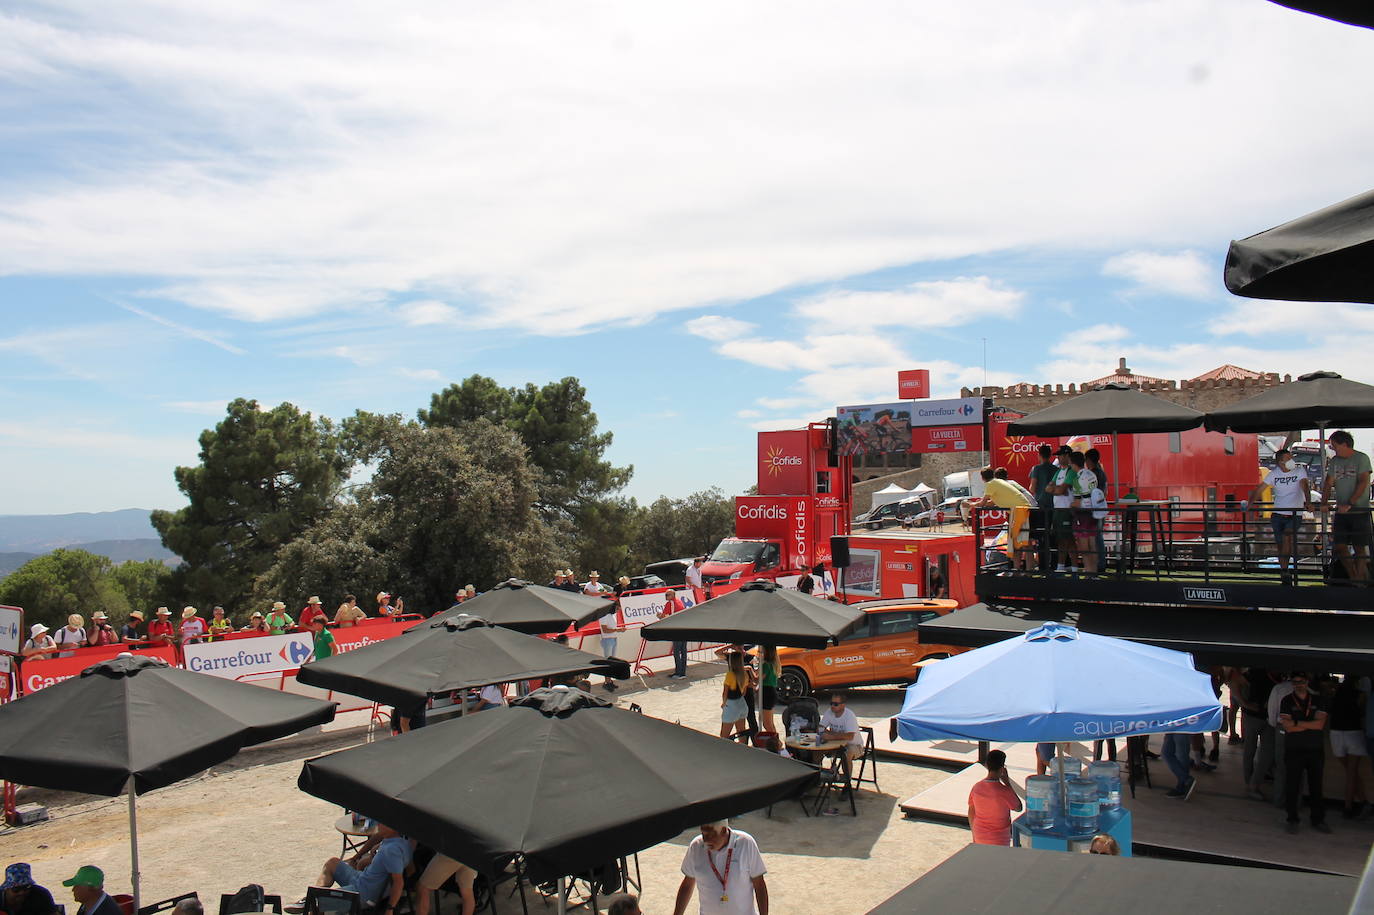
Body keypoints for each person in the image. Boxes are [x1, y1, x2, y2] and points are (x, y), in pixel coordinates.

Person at [290, 822, 412, 914]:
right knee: (332, 863)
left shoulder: (391, 851)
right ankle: (315, 893)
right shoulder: (401, 841)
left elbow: (398, 883)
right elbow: (411, 870)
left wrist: (390, 908)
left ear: (393, 827)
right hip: (362, 879)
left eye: (382, 822)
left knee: (315, 903)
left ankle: (313, 899)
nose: (378, 824)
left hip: (362, 894)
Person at [672, 820, 768, 915]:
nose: (706, 841)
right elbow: (687, 885)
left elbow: (759, 884)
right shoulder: (696, 847)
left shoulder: (746, 843)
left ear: (723, 831)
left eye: (711, 835)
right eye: (703, 834)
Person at [1248, 448, 1311, 586]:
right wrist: (1250, 503)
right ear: (1281, 462)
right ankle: (1284, 571)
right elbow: (1260, 489)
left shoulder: (1299, 470)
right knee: (1281, 545)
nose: (1291, 461)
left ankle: (1285, 571)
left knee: (1287, 537)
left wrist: (1308, 501)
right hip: (1278, 514)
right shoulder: (1273, 474)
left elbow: (1304, 486)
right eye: (1288, 458)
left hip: (1295, 514)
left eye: (1291, 458)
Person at [1279, 671, 1330, 833]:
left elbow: (1320, 725)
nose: (1297, 684)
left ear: (1307, 682)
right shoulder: (1286, 700)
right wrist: (1309, 723)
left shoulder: (1318, 700)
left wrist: (1296, 722)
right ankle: (1292, 819)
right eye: (1294, 682)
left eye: (1300, 681)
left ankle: (1318, 819)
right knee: (1292, 785)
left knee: (1316, 786)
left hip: (1315, 749)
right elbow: (1287, 727)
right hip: (1294, 749)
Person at [1322, 430, 1371, 583]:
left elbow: (1364, 481)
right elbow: (1328, 483)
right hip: (1341, 512)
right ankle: (1355, 577)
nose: (1332, 448)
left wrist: (1350, 503)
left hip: (1359, 511)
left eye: (1334, 445)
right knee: (1340, 546)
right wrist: (1324, 502)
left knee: (1359, 547)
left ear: (1344, 444)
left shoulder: (1362, 458)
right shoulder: (1335, 461)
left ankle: (1358, 580)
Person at [976, 467, 1035, 570]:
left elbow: (982, 504)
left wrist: (968, 505)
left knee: (1016, 545)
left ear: (982, 478)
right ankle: (1028, 570)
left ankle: (1017, 571)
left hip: (1018, 511)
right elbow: (992, 502)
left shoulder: (990, 484)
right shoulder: (999, 483)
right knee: (1025, 544)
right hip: (1025, 509)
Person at [1328, 674, 1367, 818]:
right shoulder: (1361, 695)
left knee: (1350, 772)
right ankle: (1353, 805)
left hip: (1336, 731)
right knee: (1352, 772)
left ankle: (1355, 804)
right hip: (1353, 731)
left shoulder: (1335, 691)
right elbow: (1362, 713)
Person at [966, 749, 1023, 846]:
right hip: (999, 839)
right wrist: (1007, 783)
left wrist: (974, 834)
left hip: (979, 835)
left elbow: (971, 812)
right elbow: (1018, 808)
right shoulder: (1004, 791)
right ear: (1002, 769)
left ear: (987, 765)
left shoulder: (977, 787)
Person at [818, 692, 865, 783]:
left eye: (835, 704)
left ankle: (847, 782)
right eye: (831, 703)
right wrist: (826, 733)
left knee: (846, 754)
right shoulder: (829, 712)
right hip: (836, 745)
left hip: (854, 745)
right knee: (817, 751)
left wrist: (831, 735)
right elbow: (820, 727)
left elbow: (850, 736)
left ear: (843, 705)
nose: (832, 706)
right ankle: (816, 777)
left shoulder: (849, 715)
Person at [1049, 445, 1080, 573]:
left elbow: (1060, 489)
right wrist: (1058, 490)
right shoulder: (1058, 471)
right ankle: (1061, 566)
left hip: (1067, 510)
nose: (1058, 457)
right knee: (1060, 539)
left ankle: (1074, 567)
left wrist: (1057, 490)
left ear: (1067, 456)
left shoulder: (1071, 471)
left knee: (1069, 539)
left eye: (1060, 455)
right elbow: (1049, 488)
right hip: (1058, 510)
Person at [1067, 452, 1099, 575]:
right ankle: (1094, 573)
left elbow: (1077, 501)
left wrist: (1070, 505)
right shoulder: (1091, 473)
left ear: (1072, 463)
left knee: (1084, 547)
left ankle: (1088, 573)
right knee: (1092, 545)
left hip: (1082, 514)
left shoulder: (1077, 479)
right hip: (1093, 512)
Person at [1028, 444, 1058, 571]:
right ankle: (1055, 565)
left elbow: (1032, 488)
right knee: (1053, 537)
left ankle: (1043, 566)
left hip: (1040, 506)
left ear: (1039, 455)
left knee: (1041, 537)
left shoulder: (1036, 469)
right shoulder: (1056, 469)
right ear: (1050, 455)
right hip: (1054, 505)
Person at [719, 651, 750, 739]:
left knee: (724, 736)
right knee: (741, 732)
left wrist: (724, 703)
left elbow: (725, 692)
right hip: (742, 704)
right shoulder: (744, 674)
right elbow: (744, 692)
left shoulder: (730, 674)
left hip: (731, 704)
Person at [659, 589, 689, 679]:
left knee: (677, 651)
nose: (666, 596)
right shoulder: (679, 601)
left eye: (667, 595)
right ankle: (682, 672)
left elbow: (666, 616)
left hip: (677, 629)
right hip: (684, 628)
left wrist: (659, 616)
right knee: (683, 651)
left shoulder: (670, 603)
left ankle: (679, 673)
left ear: (672, 595)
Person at [1161, 732, 1197, 800]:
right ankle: (1186, 779)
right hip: (1171, 727)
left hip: (1183, 727)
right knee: (1166, 753)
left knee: (1181, 755)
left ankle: (1182, 786)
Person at [598, 599, 622, 691]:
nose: (618, 610)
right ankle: (607, 682)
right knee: (608, 662)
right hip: (607, 640)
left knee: (611, 662)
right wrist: (617, 630)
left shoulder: (612, 615)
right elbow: (605, 630)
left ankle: (609, 681)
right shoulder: (604, 616)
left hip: (613, 638)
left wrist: (617, 630)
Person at [757, 647, 780, 734]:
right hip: (771, 691)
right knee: (770, 723)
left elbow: (758, 679)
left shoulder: (766, 664)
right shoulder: (773, 663)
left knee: (767, 724)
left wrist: (750, 669)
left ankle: (776, 743)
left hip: (767, 693)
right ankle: (776, 741)